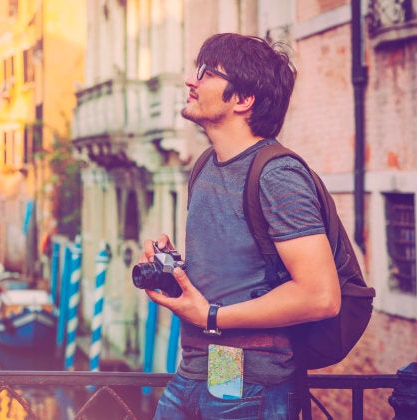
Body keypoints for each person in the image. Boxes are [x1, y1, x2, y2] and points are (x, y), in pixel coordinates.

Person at [140, 33, 341, 419]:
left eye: (207, 73)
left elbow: (321, 295)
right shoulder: (205, 166)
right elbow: (233, 276)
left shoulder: (277, 174)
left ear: (243, 99)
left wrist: (211, 316)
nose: (191, 81)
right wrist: (173, 267)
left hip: (247, 380)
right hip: (199, 369)